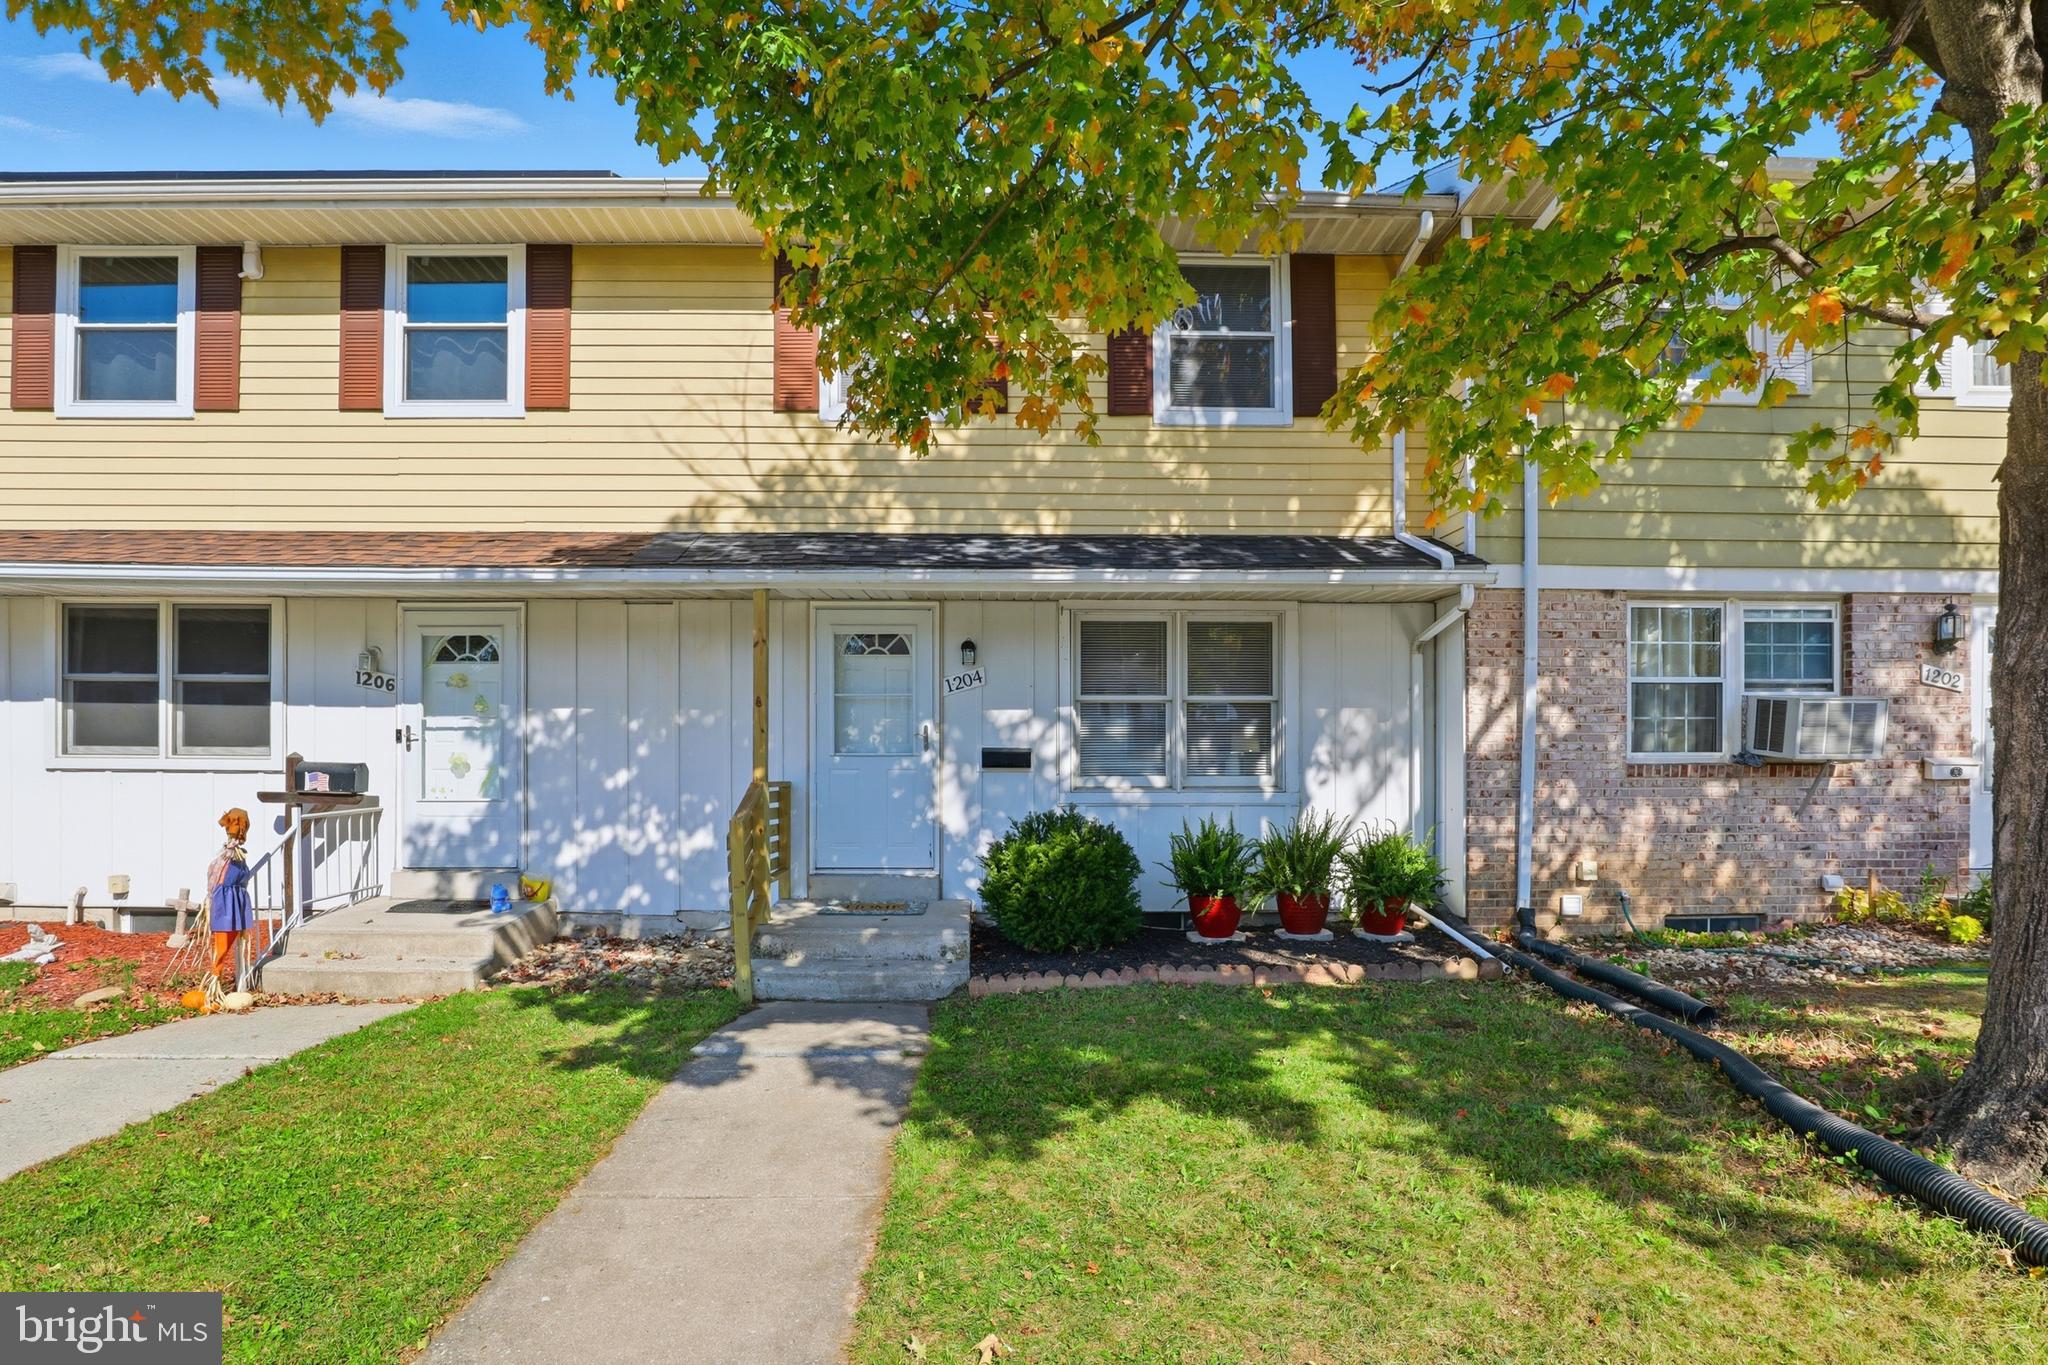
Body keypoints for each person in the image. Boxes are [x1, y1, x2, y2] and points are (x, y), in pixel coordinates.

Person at [206, 808, 256, 988]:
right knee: (222, 941)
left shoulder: (236, 854)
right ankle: (215, 978)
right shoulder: (228, 856)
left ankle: (219, 979)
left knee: (230, 939)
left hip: (235, 899)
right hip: (225, 901)